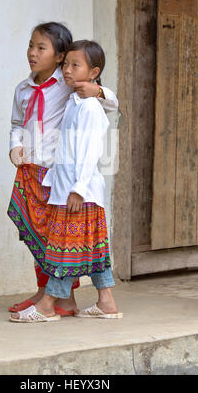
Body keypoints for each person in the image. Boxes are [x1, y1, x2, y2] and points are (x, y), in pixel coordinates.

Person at [7, 23, 119, 316]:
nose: (32, 53)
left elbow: (108, 108)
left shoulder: (72, 88)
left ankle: (50, 299)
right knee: (38, 235)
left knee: (60, 239)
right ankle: (62, 297)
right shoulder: (24, 89)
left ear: (59, 56)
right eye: (31, 46)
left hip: (61, 176)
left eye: (41, 47)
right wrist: (15, 145)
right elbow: (17, 124)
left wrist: (99, 90)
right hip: (33, 170)